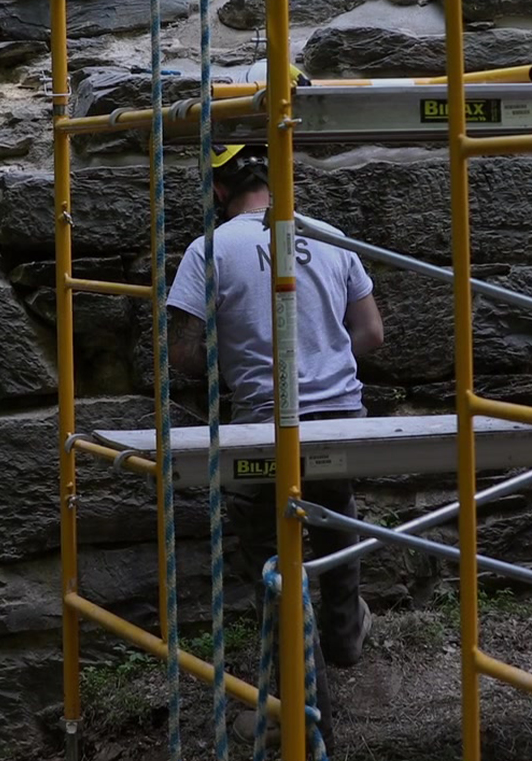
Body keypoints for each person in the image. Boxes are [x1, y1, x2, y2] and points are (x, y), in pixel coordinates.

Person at [166, 142, 385, 745]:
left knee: (271, 557)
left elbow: (183, 354)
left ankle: (304, 713)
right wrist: (322, 357)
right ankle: (342, 635)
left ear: (217, 191)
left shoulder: (207, 249)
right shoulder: (329, 234)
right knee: (335, 520)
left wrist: (242, 355)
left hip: (264, 427)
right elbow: (370, 332)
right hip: (340, 419)